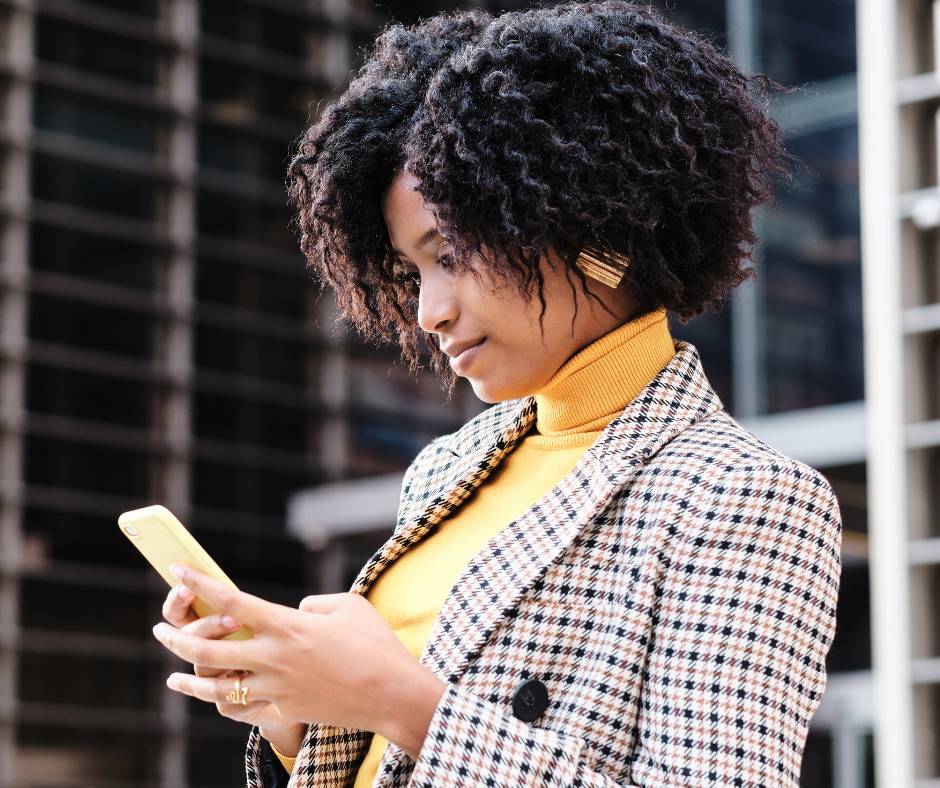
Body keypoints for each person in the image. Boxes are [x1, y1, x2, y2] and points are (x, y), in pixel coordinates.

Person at [153, 2, 843, 786]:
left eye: (450, 253)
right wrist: (299, 717)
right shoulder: (449, 468)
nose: (428, 310)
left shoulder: (745, 494)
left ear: (583, 227)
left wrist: (397, 700)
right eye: (412, 271)